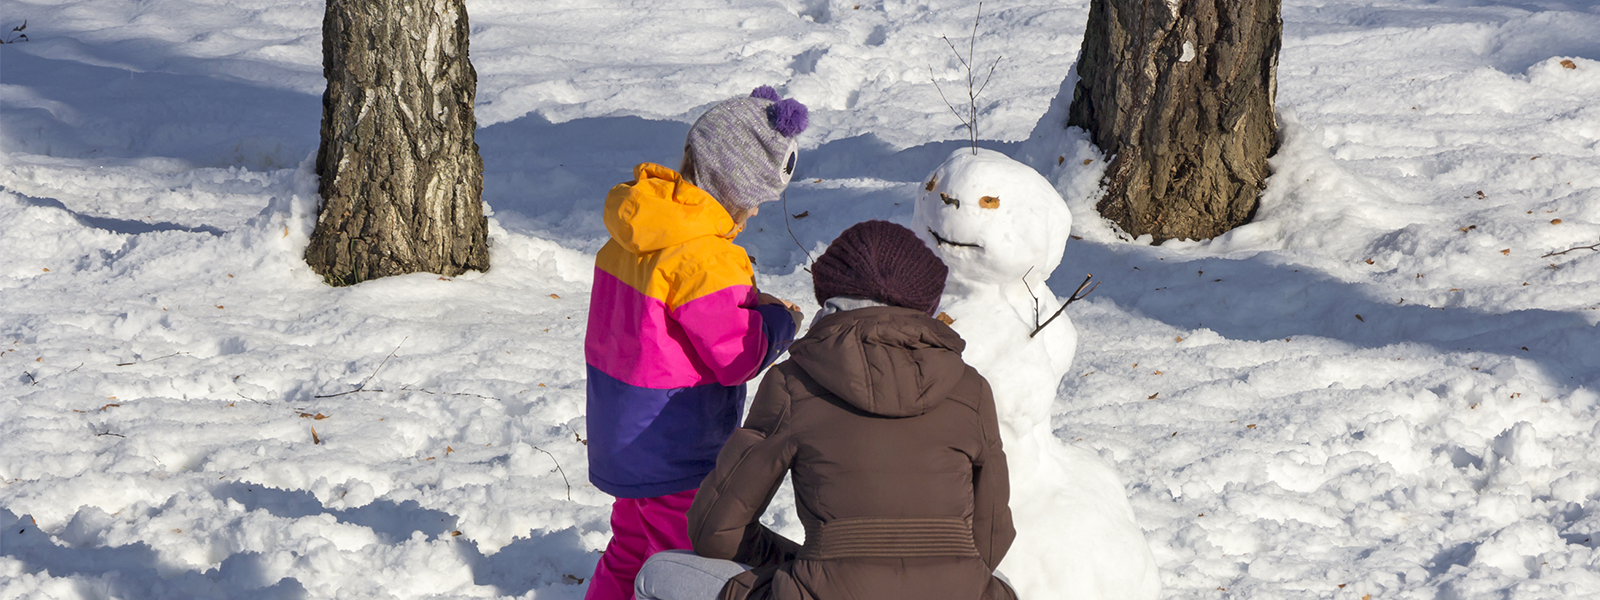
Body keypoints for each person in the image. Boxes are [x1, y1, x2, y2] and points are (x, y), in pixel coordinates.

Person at [634, 220, 1018, 600]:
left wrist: (805, 561)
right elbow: (990, 538)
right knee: (998, 583)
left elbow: (716, 532)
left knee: (657, 573)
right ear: (925, 304)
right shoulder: (971, 388)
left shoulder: (794, 382)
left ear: (829, 297)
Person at [582, 86, 810, 600]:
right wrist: (779, 320)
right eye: (753, 200)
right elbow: (736, 357)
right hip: (676, 445)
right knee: (681, 564)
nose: (751, 215)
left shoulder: (632, 236)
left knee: (629, 548)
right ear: (733, 186)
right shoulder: (706, 257)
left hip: (622, 438)